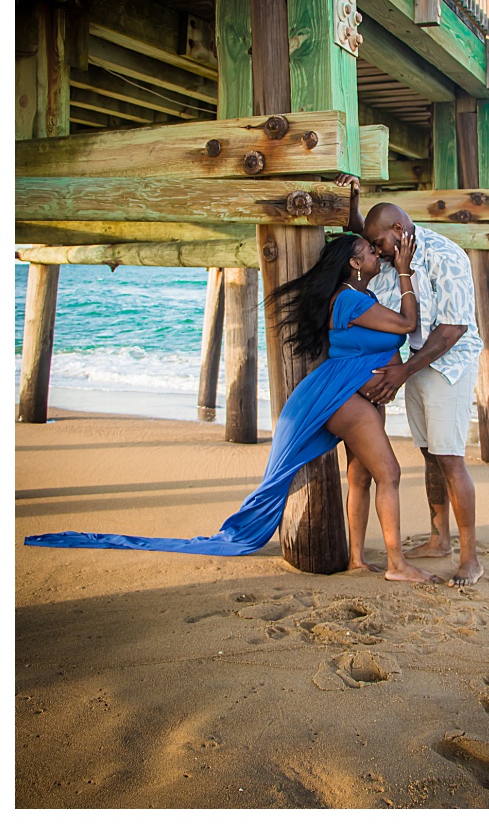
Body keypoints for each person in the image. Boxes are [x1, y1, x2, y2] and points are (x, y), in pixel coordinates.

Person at [25, 233, 437, 584]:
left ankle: (356, 559)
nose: (377, 253)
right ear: (353, 263)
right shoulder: (349, 300)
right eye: (370, 250)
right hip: (343, 395)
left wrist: (354, 197)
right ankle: (397, 564)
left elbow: (361, 254)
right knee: (390, 473)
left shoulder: (359, 292)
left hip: (359, 392)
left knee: (362, 476)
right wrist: (403, 269)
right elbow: (407, 324)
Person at [342, 178, 484, 588]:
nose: (377, 251)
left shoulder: (447, 256)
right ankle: (440, 539)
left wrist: (403, 371)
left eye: (380, 243)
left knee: (451, 457)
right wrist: (354, 202)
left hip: (450, 363)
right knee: (428, 452)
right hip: (419, 362)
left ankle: (470, 558)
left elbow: (453, 329)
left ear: (400, 232)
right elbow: (359, 237)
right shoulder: (392, 258)